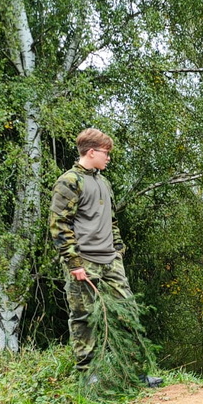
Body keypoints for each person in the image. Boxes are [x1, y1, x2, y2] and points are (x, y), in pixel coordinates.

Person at [48, 128, 131, 376]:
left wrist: (118, 250)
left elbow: (111, 220)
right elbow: (59, 224)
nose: (109, 158)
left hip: (110, 260)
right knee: (84, 317)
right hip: (84, 261)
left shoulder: (103, 182)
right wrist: (74, 263)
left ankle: (132, 371)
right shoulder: (69, 181)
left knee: (127, 312)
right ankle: (89, 374)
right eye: (106, 153)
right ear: (92, 152)